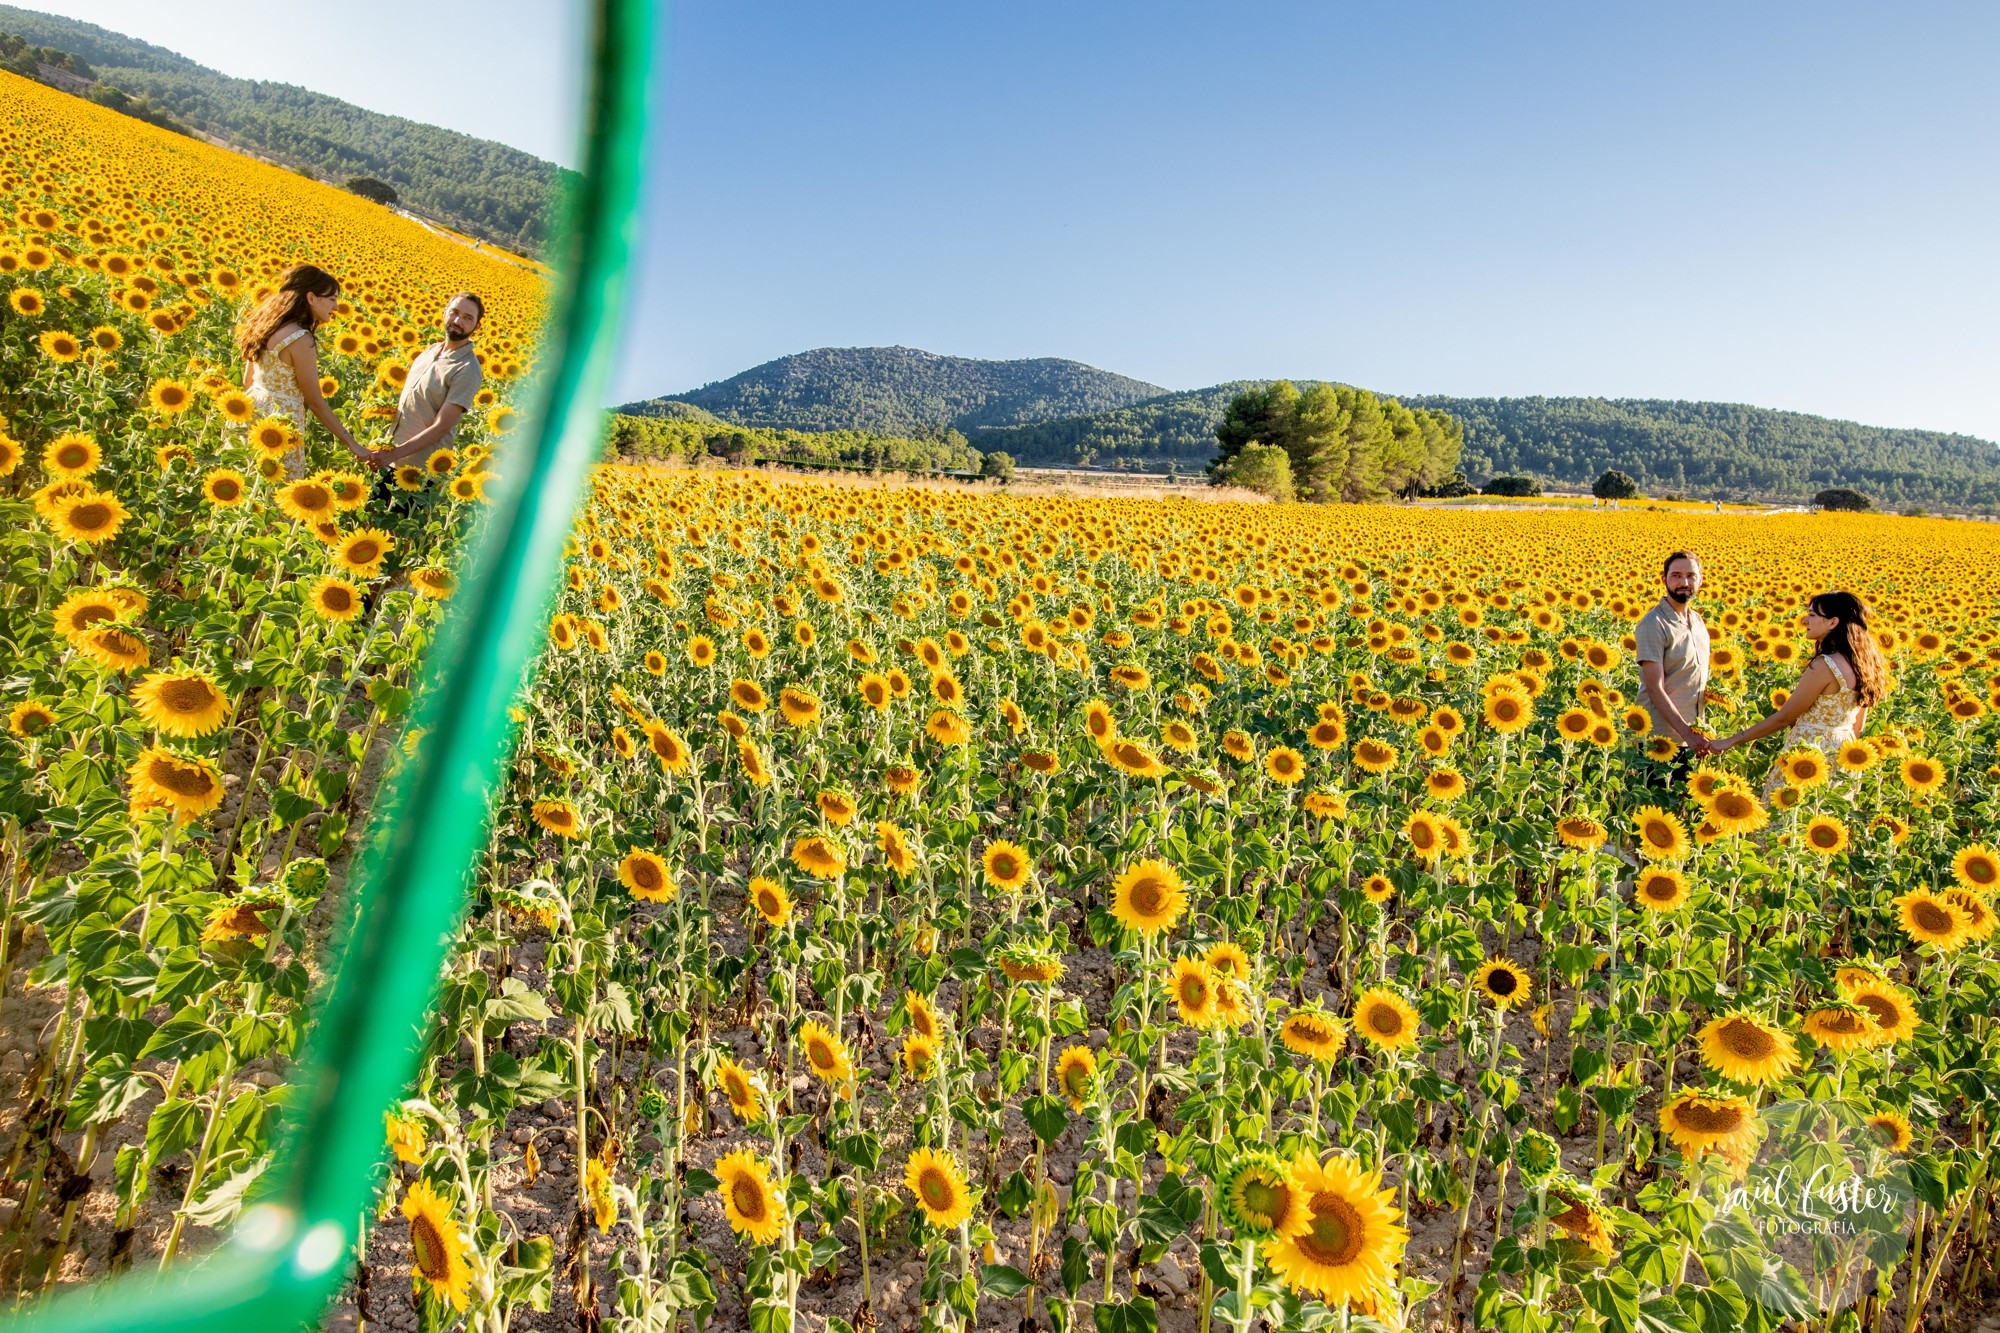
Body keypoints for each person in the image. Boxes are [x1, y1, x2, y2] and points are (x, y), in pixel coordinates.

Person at [1711, 591, 1888, 794]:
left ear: (1832, 622)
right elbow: (1858, 726)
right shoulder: (1864, 664)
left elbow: (1784, 718)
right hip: (1843, 754)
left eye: (1812, 615)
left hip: (1807, 758)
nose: (1805, 620)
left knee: (1786, 820)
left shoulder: (1825, 665)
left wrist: (1732, 740)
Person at [237, 264, 368, 477]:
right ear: (311, 298)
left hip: (252, 412)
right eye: (332, 299)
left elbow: (247, 381)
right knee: (276, 494)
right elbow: (314, 401)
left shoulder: (267, 325)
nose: (336, 307)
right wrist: (352, 443)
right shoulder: (300, 339)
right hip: (281, 427)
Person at [361, 291, 485, 472]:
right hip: (392, 456)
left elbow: (441, 426)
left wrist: (394, 454)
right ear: (445, 312)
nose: (458, 321)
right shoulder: (431, 350)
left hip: (419, 469)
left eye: (467, 318)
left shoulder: (467, 369)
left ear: (476, 326)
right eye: (455, 312)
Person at [1635, 551, 1715, 769]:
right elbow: (1654, 688)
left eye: (1691, 576)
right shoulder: (1654, 623)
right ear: (1664, 580)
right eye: (1676, 576)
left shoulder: (1698, 621)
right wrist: (1687, 733)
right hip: (1661, 738)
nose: (1684, 582)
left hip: (1693, 736)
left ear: (1700, 580)